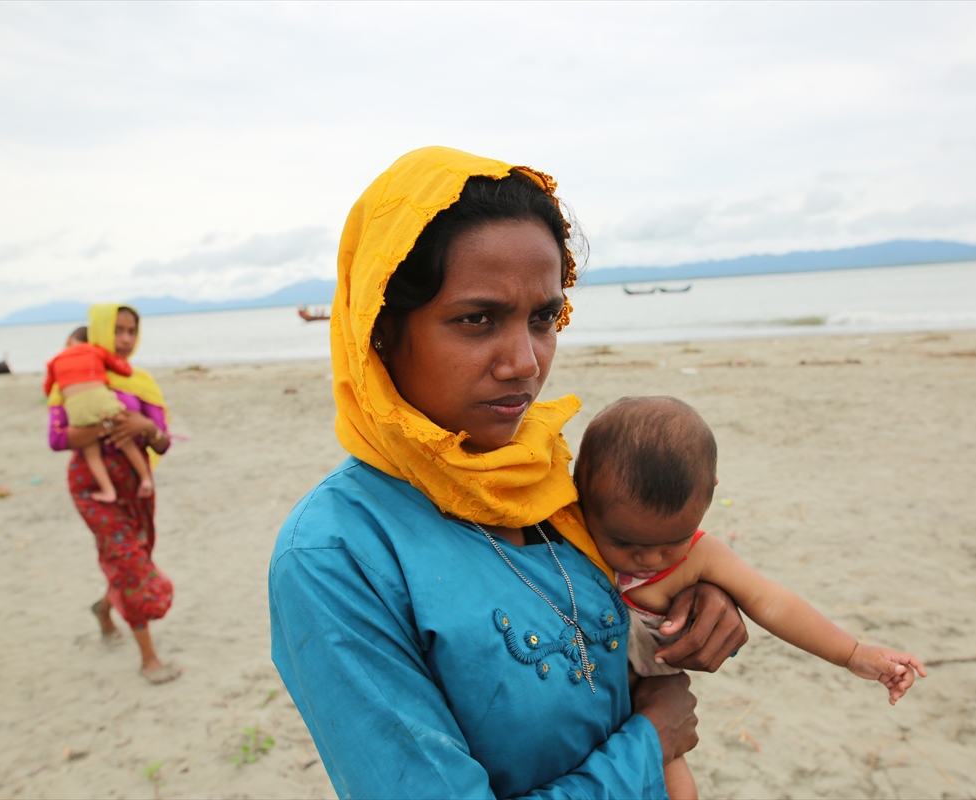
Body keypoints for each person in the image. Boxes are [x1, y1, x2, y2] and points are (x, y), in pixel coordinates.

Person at [269, 146, 748, 799]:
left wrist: (690, 600)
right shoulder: (336, 554)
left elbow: (618, 595)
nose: (525, 362)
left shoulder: (545, 483)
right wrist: (647, 747)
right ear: (380, 331)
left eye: (544, 318)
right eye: (477, 319)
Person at [575, 395, 928, 800]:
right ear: (579, 493)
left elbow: (773, 602)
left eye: (673, 541)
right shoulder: (570, 538)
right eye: (625, 543)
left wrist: (851, 653)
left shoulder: (701, 556)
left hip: (652, 712)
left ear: (710, 495)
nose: (651, 558)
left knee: (679, 789)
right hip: (585, 707)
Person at [48, 305, 180, 685]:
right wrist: (108, 422)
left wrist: (144, 427)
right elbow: (58, 438)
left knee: (136, 554)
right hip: (92, 486)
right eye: (118, 330)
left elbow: (162, 443)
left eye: (132, 331)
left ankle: (104, 608)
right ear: (101, 332)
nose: (125, 339)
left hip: (137, 484)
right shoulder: (75, 374)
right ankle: (149, 659)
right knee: (128, 562)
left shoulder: (140, 381)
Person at [44, 326, 154, 503]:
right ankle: (146, 479)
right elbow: (123, 368)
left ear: (69, 342)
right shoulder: (95, 350)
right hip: (104, 403)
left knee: (91, 451)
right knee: (125, 440)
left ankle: (108, 490)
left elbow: (49, 387)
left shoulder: (54, 360)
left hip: (77, 409)